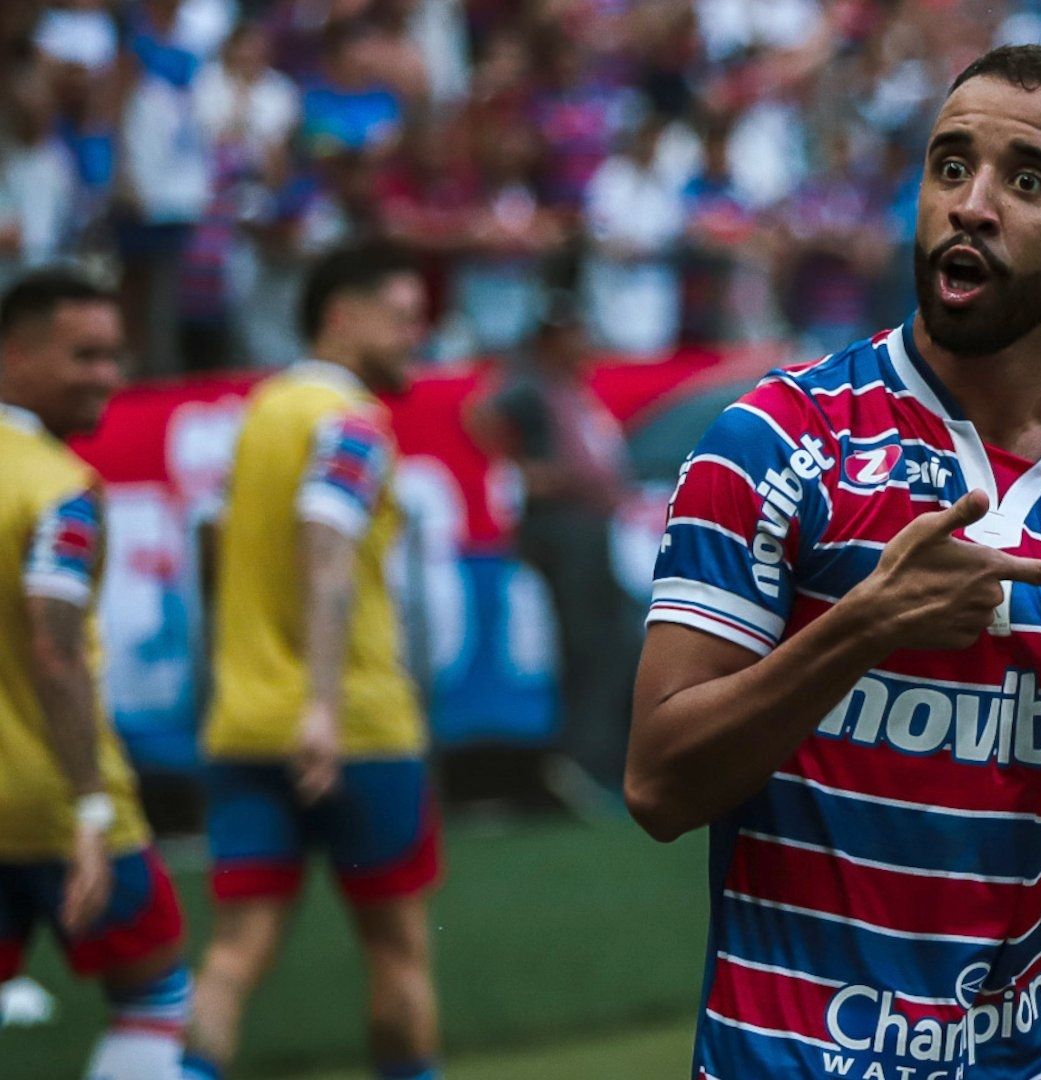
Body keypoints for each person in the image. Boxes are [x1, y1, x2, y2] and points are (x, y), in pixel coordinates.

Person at [625, 45, 1041, 1078]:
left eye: (1028, 181)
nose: (971, 204)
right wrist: (864, 625)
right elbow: (658, 783)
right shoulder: (774, 442)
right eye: (949, 165)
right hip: (800, 1055)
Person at [183, 245, 441, 1080]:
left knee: (232, 955)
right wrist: (322, 706)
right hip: (355, 724)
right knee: (397, 954)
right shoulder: (353, 420)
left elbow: (212, 544)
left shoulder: (259, 413)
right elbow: (327, 545)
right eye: (401, 320)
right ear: (340, 315)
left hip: (246, 722)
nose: (416, 339)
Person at [0, 270, 191, 1077]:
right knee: (153, 994)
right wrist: (87, 806)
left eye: (115, 356)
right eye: (85, 355)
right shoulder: (59, 491)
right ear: (14, 355)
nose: (108, 377)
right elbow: (57, 651)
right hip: (56, 800)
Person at [466, 290, 639, 788]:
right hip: (563, 528)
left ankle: (598, 754)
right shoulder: (529, 383)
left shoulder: (565, 386)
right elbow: (479, 414)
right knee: (587, 640)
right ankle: (581, 760)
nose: (581, 343)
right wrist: (523, 469)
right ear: (551, 339)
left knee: (615, 637)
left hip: (587, 525)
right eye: (571, 334)